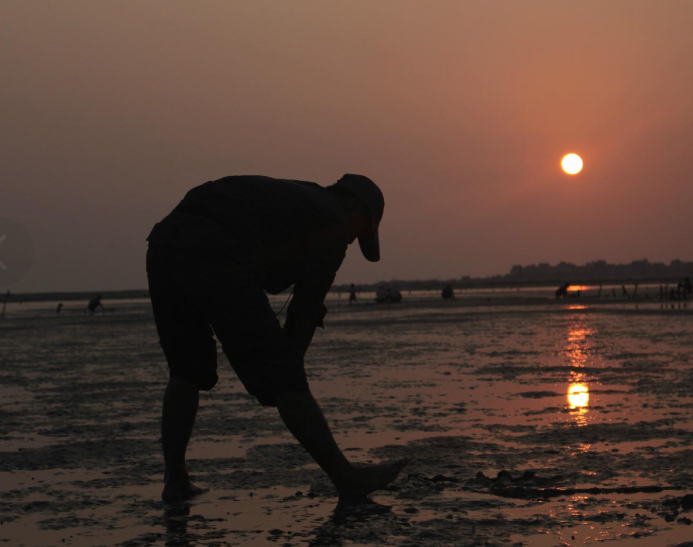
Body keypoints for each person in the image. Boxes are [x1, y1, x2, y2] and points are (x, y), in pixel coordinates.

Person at [146, 174, 407, 503]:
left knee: (186, 370)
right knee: (284, 375)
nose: (352, 241)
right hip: (214, 248)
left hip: (164, 243)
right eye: (360, 231)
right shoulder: (333, 221)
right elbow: (304, 311)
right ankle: (346, 477)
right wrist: (287, 374)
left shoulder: (300, 198)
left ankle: (175, 481)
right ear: (354, 206)